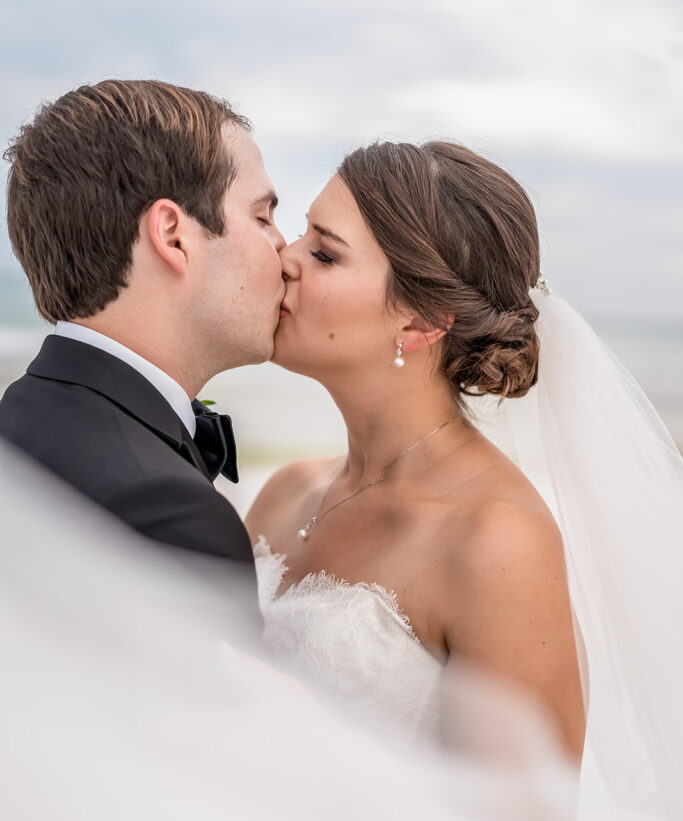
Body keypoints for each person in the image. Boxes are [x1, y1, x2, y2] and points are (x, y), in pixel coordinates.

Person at [246, 141, 585, 756]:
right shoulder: (284, 492)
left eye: (324, 252)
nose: (283, 256)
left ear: (422, 321)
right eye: (297, 234)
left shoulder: (499, 541)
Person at [0, 79, 285, 609]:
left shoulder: (18, 417)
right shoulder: (168, 514)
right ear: (173, 235)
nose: (284, 249)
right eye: (263, 217)